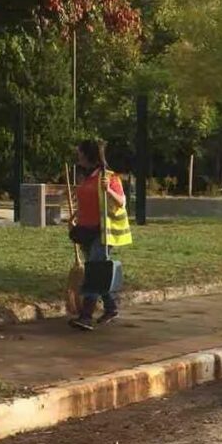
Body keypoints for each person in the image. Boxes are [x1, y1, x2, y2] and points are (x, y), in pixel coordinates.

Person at [68, 140, 132, 331]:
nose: (77, 156)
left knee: (95, 271)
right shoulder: (86, 178)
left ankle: (86, 315)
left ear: (89, 155)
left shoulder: (109, 177)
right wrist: (75, 216)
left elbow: (122, 202)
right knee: (98, 271)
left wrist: (109, 190)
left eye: (80, 153)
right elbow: (87, 202)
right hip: (85, 230)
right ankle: (111, 308)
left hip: (102, 232)